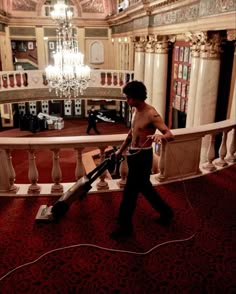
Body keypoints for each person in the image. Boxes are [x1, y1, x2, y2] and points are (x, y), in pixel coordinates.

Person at [110, 80, 174, 239]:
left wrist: (160, 136)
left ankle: (125, 227)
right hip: (133, 155)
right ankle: (167, 212)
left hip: (143, 158)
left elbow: (169, 134)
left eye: (129, 97)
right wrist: (120, 150)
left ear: (137, 97)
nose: (127, 100)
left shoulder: (151, 113)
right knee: (146, 188)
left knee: (129, 194)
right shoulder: (134, 110)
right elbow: (132, 133)